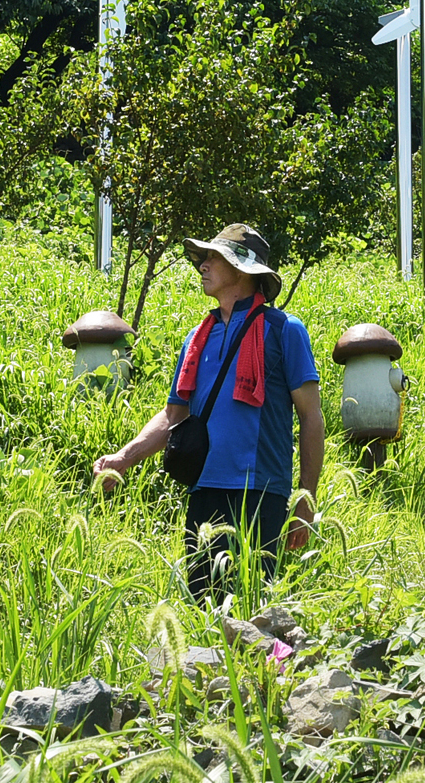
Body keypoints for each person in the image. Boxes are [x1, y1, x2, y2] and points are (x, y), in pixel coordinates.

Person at [93, 224, 325, 598]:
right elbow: (174, 416)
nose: (203, 264)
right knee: (203, 605)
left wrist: (305, 498)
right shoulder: (198, 337)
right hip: (203, 491)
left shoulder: (284, 331)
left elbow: (311, 418)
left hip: (260, 492)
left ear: (241, 270)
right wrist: (123, 458)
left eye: (214, 257)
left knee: (253, 609)